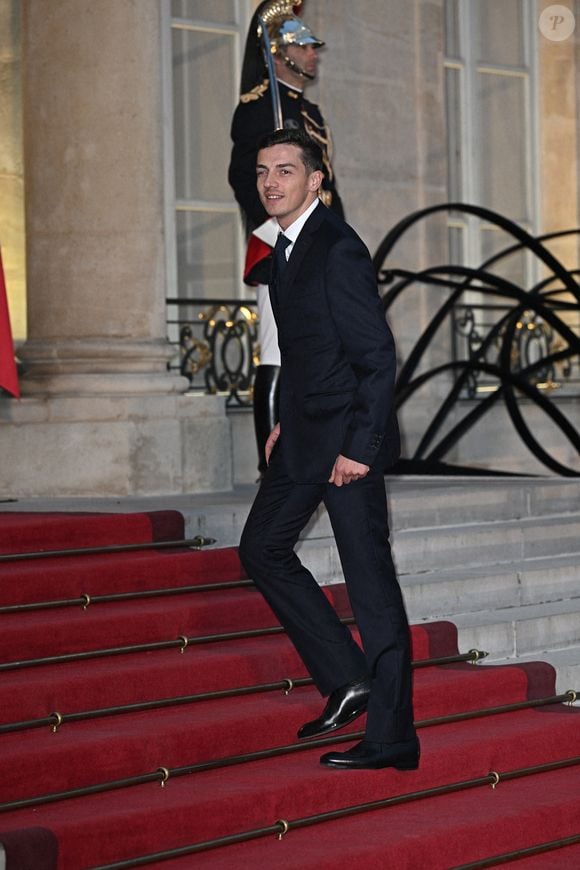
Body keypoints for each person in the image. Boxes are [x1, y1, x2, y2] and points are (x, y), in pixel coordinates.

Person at [238, 129, 419, 771]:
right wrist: (285, 420)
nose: (270, 182)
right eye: (263, 171)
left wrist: (361, 448)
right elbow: (307, 354)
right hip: (305, 435)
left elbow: (375, 356)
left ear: (317, 180)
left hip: (346, 449)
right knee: (260, 548)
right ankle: (348, 678)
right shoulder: (284, 248)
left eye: (286, 171)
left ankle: (393, 738)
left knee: (371, 590)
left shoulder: (338, 249)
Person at [229, 0, 343, 477]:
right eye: (303, 45)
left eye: (313, 46)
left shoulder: (308, 110)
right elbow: (245, 179)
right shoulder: (258, 108)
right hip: (281, 245)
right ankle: (271, 466)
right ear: (278, 52)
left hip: (318, 245)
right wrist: (283, 229)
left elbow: (328, 185)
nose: (313, 53)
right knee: (277, 349)